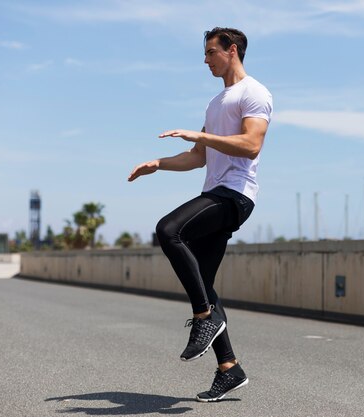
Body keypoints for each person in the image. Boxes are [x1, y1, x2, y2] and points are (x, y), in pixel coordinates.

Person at [127, 27, 272, 402]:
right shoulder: (215, 102)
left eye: (211, 52)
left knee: (169, 229)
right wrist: (158, 163)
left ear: (232, 51)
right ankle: (229, 368)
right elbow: (198, 157)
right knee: (203, 279)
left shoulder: (254, 92)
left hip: (236, 195)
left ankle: (205, 318)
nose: (205, 59)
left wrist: (201, 136)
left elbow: (251, 145)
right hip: (215, 192)